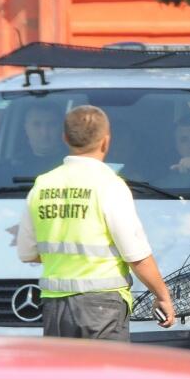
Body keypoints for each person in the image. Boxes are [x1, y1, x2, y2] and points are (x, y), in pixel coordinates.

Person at [16, 105, 176, 339]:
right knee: (106, 375)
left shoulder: (43, 185)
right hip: (103, 307)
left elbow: (27, 252)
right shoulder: (109, 185)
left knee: (66, 376)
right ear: (105, 142)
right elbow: (136, 255)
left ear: (65, 139)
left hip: (55, 308)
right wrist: (162, 296)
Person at [19, 103, 67, 174]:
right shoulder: (8, 169)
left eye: (51, 124)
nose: (44, 133)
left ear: (61, 127)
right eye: (36, 125)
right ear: (26, 128)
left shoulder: (74, 165)